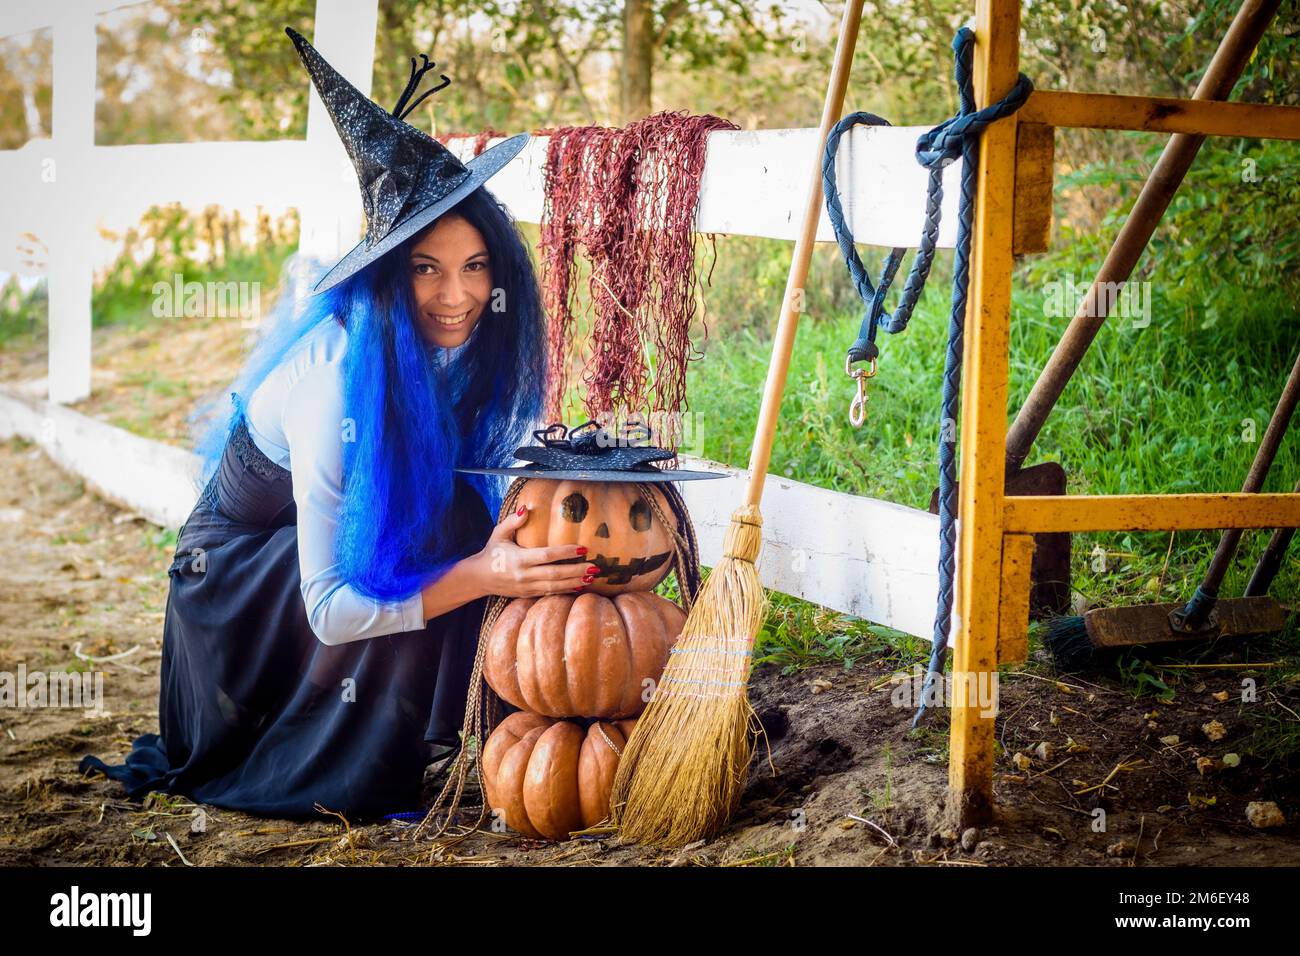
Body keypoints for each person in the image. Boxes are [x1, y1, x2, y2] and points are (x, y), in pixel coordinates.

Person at [76, 27, 598, 821]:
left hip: (316, 561)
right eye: (425, 268)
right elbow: (331, 605)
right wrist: (481, 577)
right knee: (427, 541)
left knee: (457, 511)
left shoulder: (441, 347)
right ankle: (344, 765)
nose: (456, 296)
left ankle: (464, 727)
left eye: (474, 267)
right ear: (388, 276)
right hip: (237, 598)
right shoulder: (331, 383)